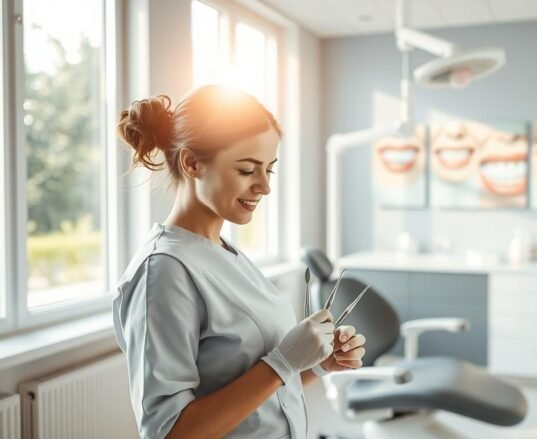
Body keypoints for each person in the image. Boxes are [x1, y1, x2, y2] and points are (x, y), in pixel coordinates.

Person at [112, 85, 366, 438]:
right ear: (191, 163)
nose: (264, 187)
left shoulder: (222, 250)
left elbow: (249, 386)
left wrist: (316, 364)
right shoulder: (164, 271)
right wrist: (282, 363)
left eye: (269, 170)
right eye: (248, 170)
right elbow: (168, 433)